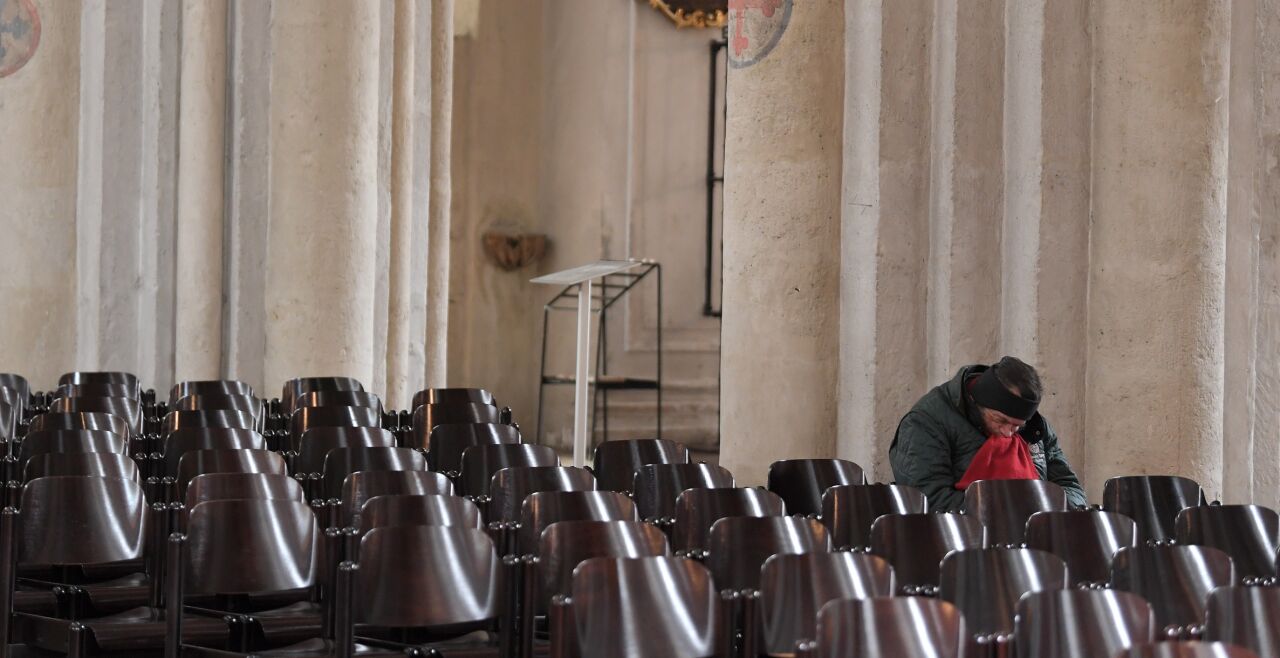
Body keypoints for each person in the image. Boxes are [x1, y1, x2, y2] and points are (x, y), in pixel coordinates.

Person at [888, 356, 1086, 512]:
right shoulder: (926, 423)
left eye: (1017, 426)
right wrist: (1010, 515)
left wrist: (1052, 509)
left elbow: (1069, 485)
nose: (1008, 433)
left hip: (1035, 535)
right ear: (978, 403)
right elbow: (929, 500)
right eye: (1001, 421)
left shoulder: (1034, 428)